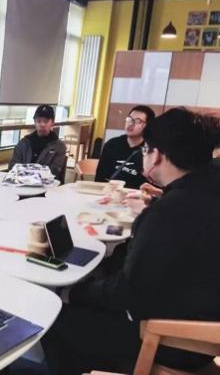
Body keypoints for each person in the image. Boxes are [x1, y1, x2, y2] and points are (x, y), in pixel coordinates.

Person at [42, 108, 220, 375]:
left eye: (146, 149)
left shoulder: (169, 212)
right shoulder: (206, 187)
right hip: (203, 323)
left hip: (171, 338)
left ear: (157, 154)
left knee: (55, 319)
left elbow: (128, 293)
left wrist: (75, 292)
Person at [95, 105, 155, 189]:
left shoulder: (151, 151)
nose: (131, 124)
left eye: (137, 121)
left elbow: (151, 185)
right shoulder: (112, 144)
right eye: (129, 119)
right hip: (110, 192)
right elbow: (100, 178)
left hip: (136, 195)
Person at [8, 105, 67, 180]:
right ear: (35, 122)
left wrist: (30, 172)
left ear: (52, 122)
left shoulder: (59, 146)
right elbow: (12, 165)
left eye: (46, 121)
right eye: (39, 121)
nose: (42, 124)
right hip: (22, 182)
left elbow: (54, 171)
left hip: (46, 184)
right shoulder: (24, 142)